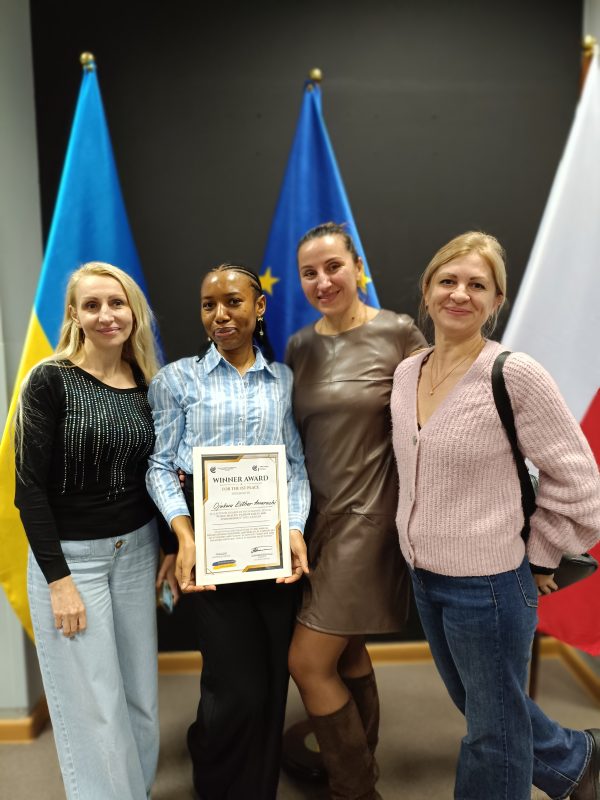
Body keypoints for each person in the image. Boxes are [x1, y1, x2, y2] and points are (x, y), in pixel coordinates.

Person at [390, 230, 600, 800]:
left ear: (496, 300)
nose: (460, 294)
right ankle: (577, 762)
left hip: (488, 585)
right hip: (424, 576)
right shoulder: (407, 373)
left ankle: (572, 764)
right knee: (483, 706)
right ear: (427, 291)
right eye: (448, 281)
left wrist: (541, 555)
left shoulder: (513, 373)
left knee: (491, 733)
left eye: (477, 285)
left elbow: (580, 483)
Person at [145, 263, 310, 800]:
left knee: (272, 677)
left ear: (258, 307)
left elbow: (295, 466)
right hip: (209, 547)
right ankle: (215, 780)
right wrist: (185, 537)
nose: (220, 315)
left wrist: (295, 528)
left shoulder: (283, 380)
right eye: (208, 304)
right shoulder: (176, 380)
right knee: (233, 684)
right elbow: (159, 466)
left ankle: (258, 788)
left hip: (270, 543)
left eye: (233, 302)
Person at [15, 262, 178, 800]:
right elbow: (28, 491)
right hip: (72, 563)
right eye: (92, 305)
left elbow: (154, 473)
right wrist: (58, 581)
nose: (107, 315)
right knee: (96, 710)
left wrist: (169, 546)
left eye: (116, 303)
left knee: (140, 701)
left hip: (137, 551)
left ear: (133, 311)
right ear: (74, 315)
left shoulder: (147, 382)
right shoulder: (49, 380)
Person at [285, 222, 427, 799]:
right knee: (346, 651)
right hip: (315, 521)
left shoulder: (399, 332)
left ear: (358, 267)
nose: (322, 281)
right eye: (309, 273)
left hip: (370, 519)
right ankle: (359, 765)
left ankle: (356, 791)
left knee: (307, 662)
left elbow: (435, 423)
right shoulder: (298, 345)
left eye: (333, 267)